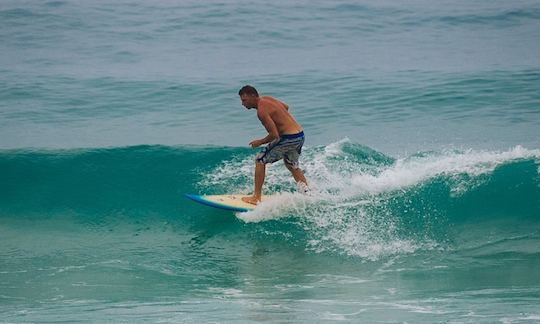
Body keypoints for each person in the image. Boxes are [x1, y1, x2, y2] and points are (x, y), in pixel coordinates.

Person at [238, 85, 308, 205]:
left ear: (253, 96)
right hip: (299, 135)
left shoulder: (261, 111)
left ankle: (256, 197)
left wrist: (259, 142)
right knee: (292, 165)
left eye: (244, 100)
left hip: (289, 138)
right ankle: (307, 193)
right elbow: (286, 107)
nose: (243, 104)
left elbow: (274, 135)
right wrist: (280, 119)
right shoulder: (267, 98)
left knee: (260, 160)